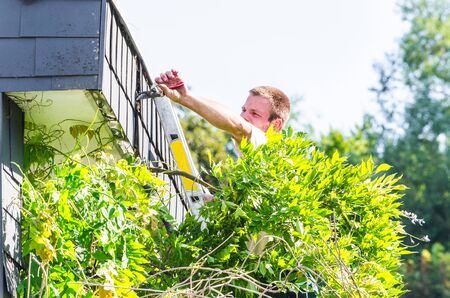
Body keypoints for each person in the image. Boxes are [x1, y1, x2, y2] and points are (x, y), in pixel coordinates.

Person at [155, 69, 290, 148]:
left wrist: (185, 98)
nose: (243, 117)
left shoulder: (266, 146)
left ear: (276, 125)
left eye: (255, 114)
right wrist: (185, 95)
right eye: (243, 110)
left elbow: (239, 126)